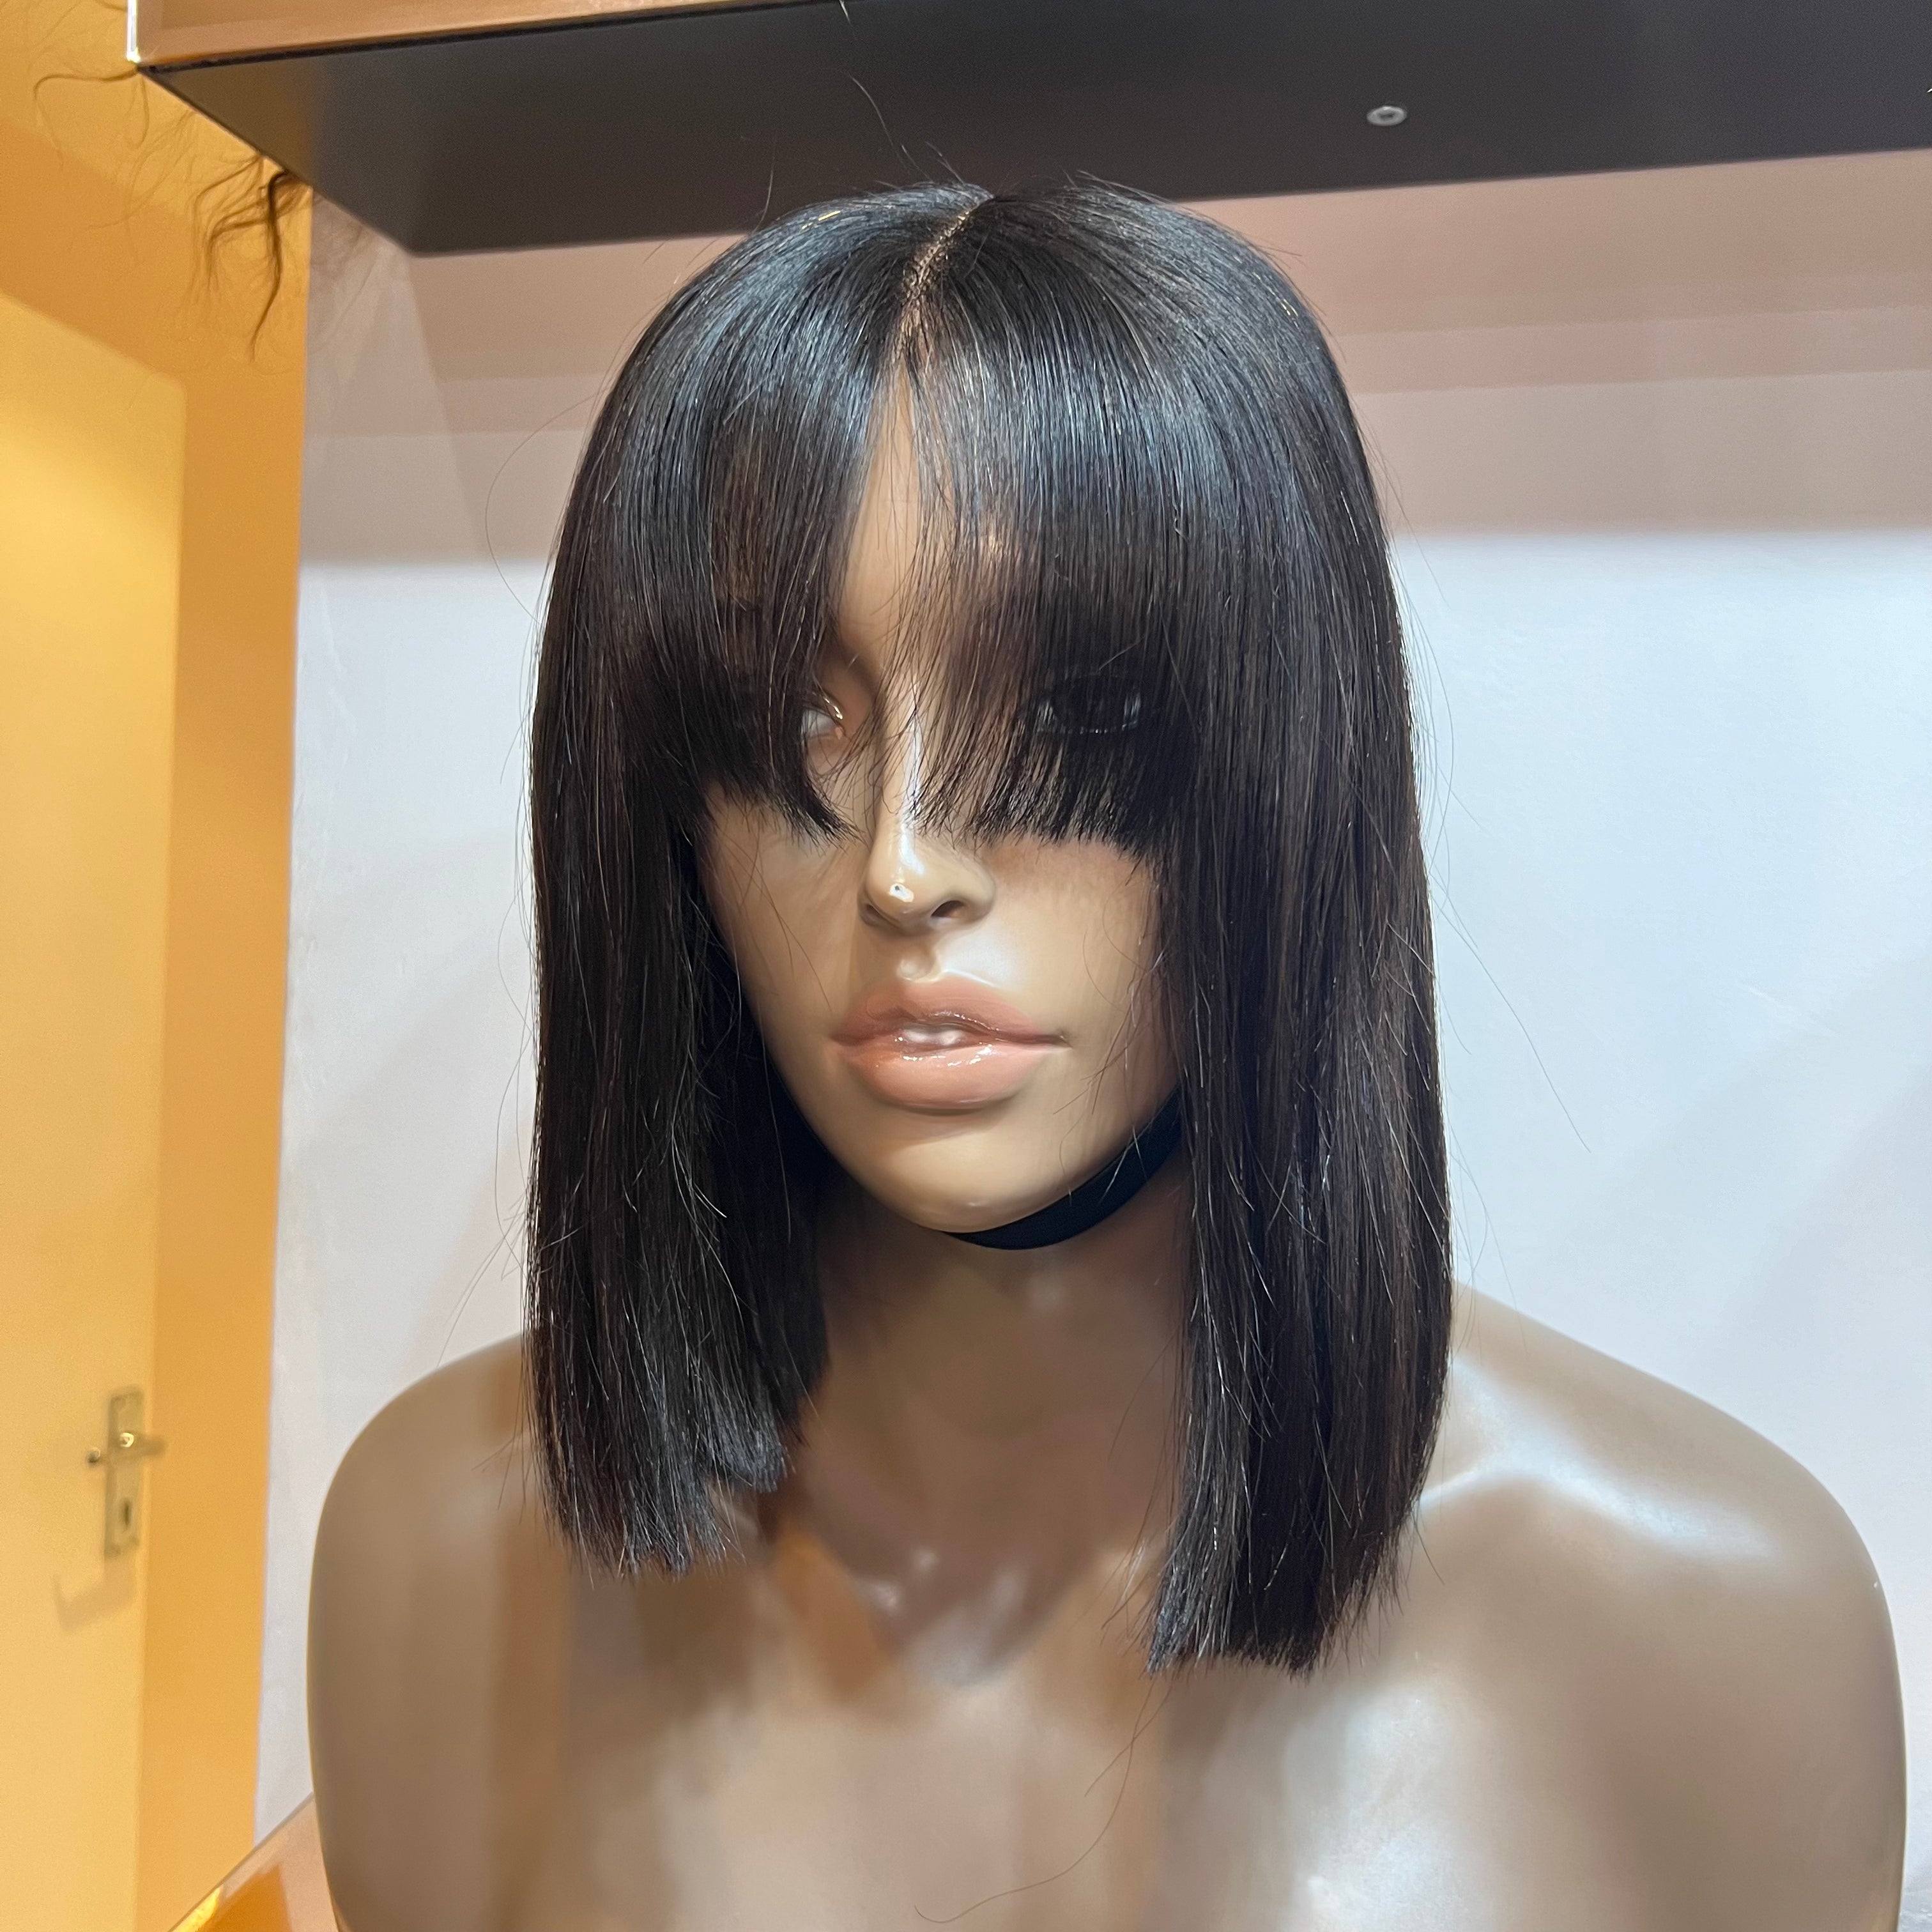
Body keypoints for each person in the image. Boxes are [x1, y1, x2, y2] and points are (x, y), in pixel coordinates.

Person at [307, 182, 1905, 1931]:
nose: (907, 864)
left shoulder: (1712, 1625)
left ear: (1282, 763)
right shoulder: (438, 1554)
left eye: (1071, 709)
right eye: (792, 721)